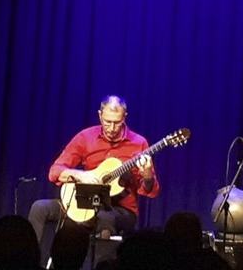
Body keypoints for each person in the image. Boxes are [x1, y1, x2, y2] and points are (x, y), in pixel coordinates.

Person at [28, 95, 160, 258]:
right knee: (40, 208)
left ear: (124, 117)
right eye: (107, 122)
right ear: (99, 115)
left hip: (121, 211)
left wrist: (147, 176)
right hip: (83, 205)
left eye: (117, 122)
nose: (112, 128)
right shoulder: (85, 137)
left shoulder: (139, 143)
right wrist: (81, 175)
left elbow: (150, 190)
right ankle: (28, 262)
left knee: (105, 216)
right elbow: (55, 171)